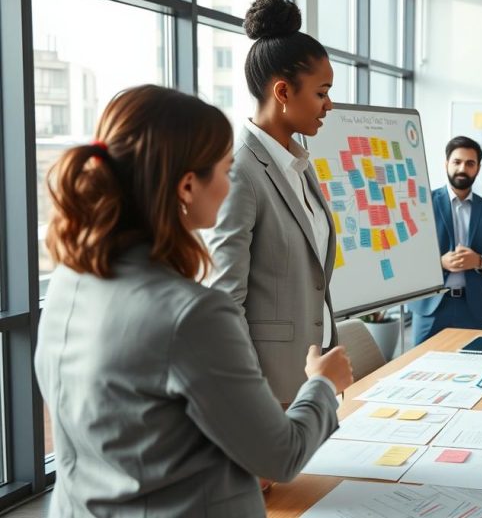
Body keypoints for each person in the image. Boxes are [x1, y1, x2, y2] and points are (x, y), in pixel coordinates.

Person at [35, 85, 354, 517]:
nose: (229, 185)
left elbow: (137, 431)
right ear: (188, 186)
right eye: (225, 170)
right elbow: (280, 456)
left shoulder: (69, 282)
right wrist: (322, 383)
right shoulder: (193, 314)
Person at [204, 0, 338, 403]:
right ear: (283, 91)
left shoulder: (298, 163)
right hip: (267, 389)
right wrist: (244, 397)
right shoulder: (240, 171)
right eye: (321, 93)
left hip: (312, 375)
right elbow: (225, 298)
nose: (329, 105)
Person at [409, 136, 482, 344]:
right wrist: (440, 263)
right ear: (447, 164)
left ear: (478, 168)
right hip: (431, 306)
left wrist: (479, 261)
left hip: (471, 308)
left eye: (470, 163)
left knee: (470, 367)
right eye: (457, 162)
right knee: (419, 368)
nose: (462, 168)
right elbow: (408, 255)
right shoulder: (423, 203)